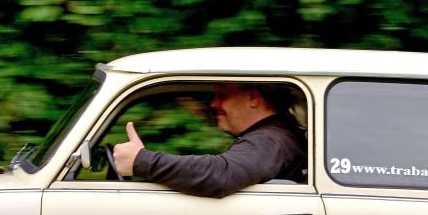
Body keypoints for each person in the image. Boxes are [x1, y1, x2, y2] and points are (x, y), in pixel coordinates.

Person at [111, 83, 307, 198]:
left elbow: (221, 175)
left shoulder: (269, 140)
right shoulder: (276, 135)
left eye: (222, 95)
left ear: (253, 98)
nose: (213, 104)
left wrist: (142, 162)